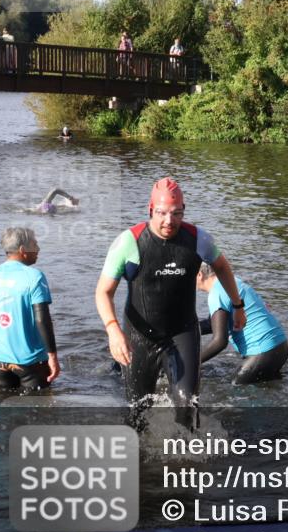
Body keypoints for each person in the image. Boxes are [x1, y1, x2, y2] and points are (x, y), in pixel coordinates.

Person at [94, 177, 246, 429]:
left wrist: (237, 305)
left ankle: (185, 461)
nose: (169, 221)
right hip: (139, 338)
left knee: (187, 405)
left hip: (182, 332)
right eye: (162, 213)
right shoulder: (129, 242)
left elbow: (222, 266)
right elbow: (103, 291)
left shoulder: (198, 239)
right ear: (150, 209)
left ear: (184, 211)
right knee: (137, 411)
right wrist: (113, 330)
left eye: (176, 213)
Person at [0, 227, 60, 391]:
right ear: (22, 250)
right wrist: (53, 356)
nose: (38, 249)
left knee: (3, 410)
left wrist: (6, 328)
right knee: (39, 413)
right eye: (35, 244)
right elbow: (42, 319)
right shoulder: (34, 276)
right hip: (32, 363)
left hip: (0, 364)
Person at [197, 263, 288, 384]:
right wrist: (181, 330)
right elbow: (212, 324)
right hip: (281, 346)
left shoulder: (216, 294)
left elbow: (219, 342)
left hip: (263, 352)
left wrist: (190, 363)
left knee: (236, 391)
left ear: (199, 275)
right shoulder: (231, 282)